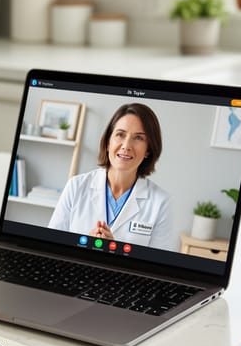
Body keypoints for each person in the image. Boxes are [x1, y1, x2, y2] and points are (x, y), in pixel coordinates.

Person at [48, 103, 177, 252]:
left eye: (139, 138)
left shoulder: (161, 202)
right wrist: (82, 245)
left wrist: (116, 251)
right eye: (120, 134)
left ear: (148, 149)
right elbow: (52, 247)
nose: (126, 146)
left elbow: (157, 265)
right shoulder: (76, 186)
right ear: (108, 142)